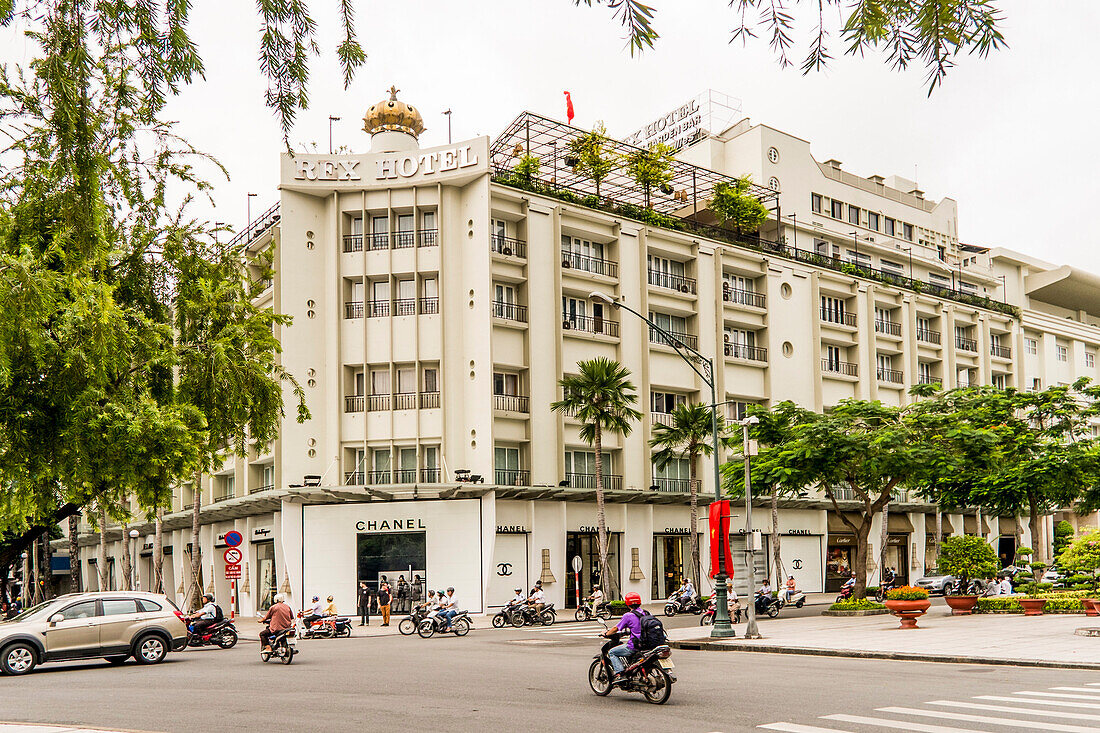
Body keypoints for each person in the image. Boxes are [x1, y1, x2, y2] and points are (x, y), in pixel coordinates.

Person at [602, 592, 643, 683]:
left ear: (627, 604)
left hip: (635, 646)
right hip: (647, 644)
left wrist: (607, 633)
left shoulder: (628, 616)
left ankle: (620, 674)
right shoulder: (646, 613)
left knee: (612, 652)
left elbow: (616, 628)